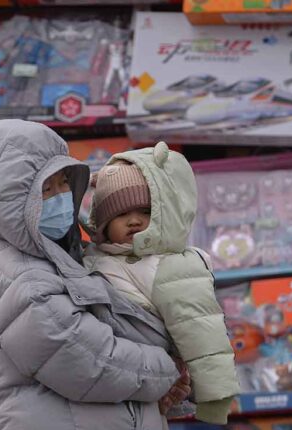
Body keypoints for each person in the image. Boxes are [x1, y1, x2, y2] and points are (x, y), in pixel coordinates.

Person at [0, 118, 191, 430]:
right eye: (46, 189)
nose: (61, 195)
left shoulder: (53, 253)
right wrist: (169, 370)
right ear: (6, 201)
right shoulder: (16, 274)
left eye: (63, 182)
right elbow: (86, 359)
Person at [83, 142, 239, 424]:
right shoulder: (95, 256)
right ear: (103, 223)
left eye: (145, 211)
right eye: (120, 214)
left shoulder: (171, 266)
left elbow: (203, 334)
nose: (134, 221)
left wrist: (214, 398)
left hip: (155, 379)